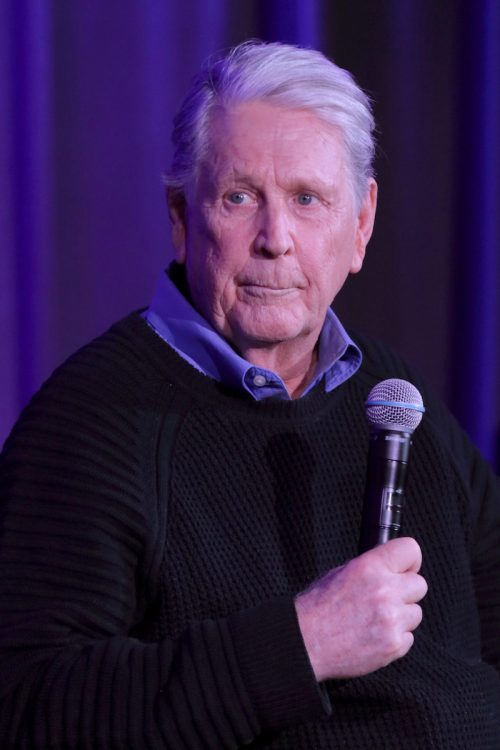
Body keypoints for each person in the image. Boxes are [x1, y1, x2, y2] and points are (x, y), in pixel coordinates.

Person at [0, 40, 499, 750]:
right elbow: (27, 706)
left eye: (307, 200)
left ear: (361, 224)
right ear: (181, 217)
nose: (275, 239)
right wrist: (301, 644)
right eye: (240, 198)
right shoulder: (90, 422)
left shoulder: (398, 400)